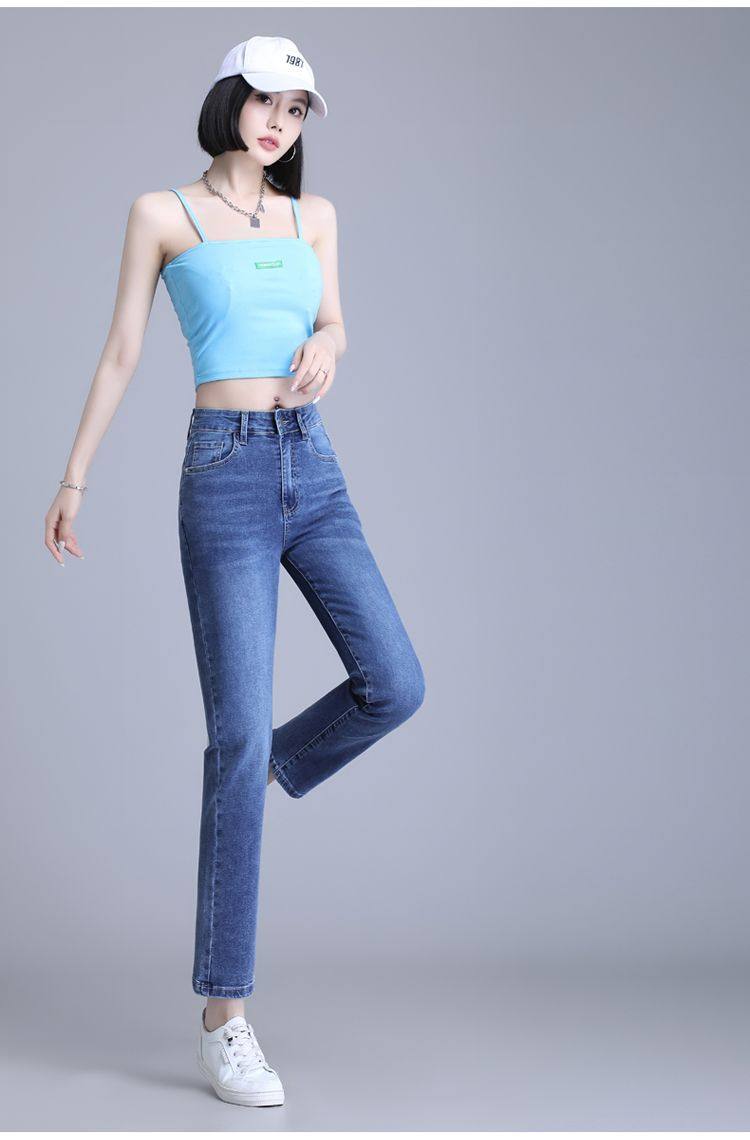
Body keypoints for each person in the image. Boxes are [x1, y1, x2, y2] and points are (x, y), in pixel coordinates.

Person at [43, 35, 425, 1108]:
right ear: (229, 101)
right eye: (266, 101)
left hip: (314, 466)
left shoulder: (315, 218)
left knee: (394, 682)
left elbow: (333, 320)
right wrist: (73, 478)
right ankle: (225, 1019)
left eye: (297, 111)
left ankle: (253, 764)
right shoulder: (162, 213)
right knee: (237, 730)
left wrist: (332, 345)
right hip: (223, 472)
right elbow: (122, 349)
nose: (279, 124)